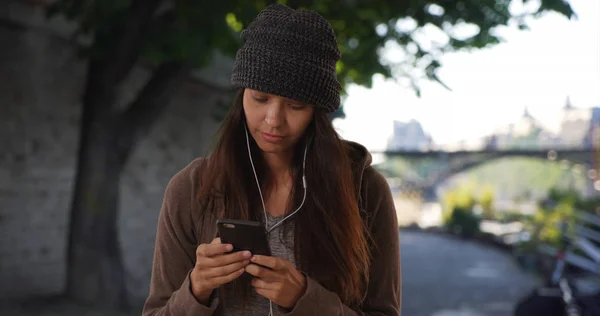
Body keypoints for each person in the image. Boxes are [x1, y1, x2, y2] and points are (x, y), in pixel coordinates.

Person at [142, 3, 401, 316]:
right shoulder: (191, 189)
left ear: (318, 112)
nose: (273, 121)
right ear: (241, 96)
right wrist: (197, 288)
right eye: (260, 98)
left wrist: (307, 300)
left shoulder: (365, 190)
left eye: (295, 106)